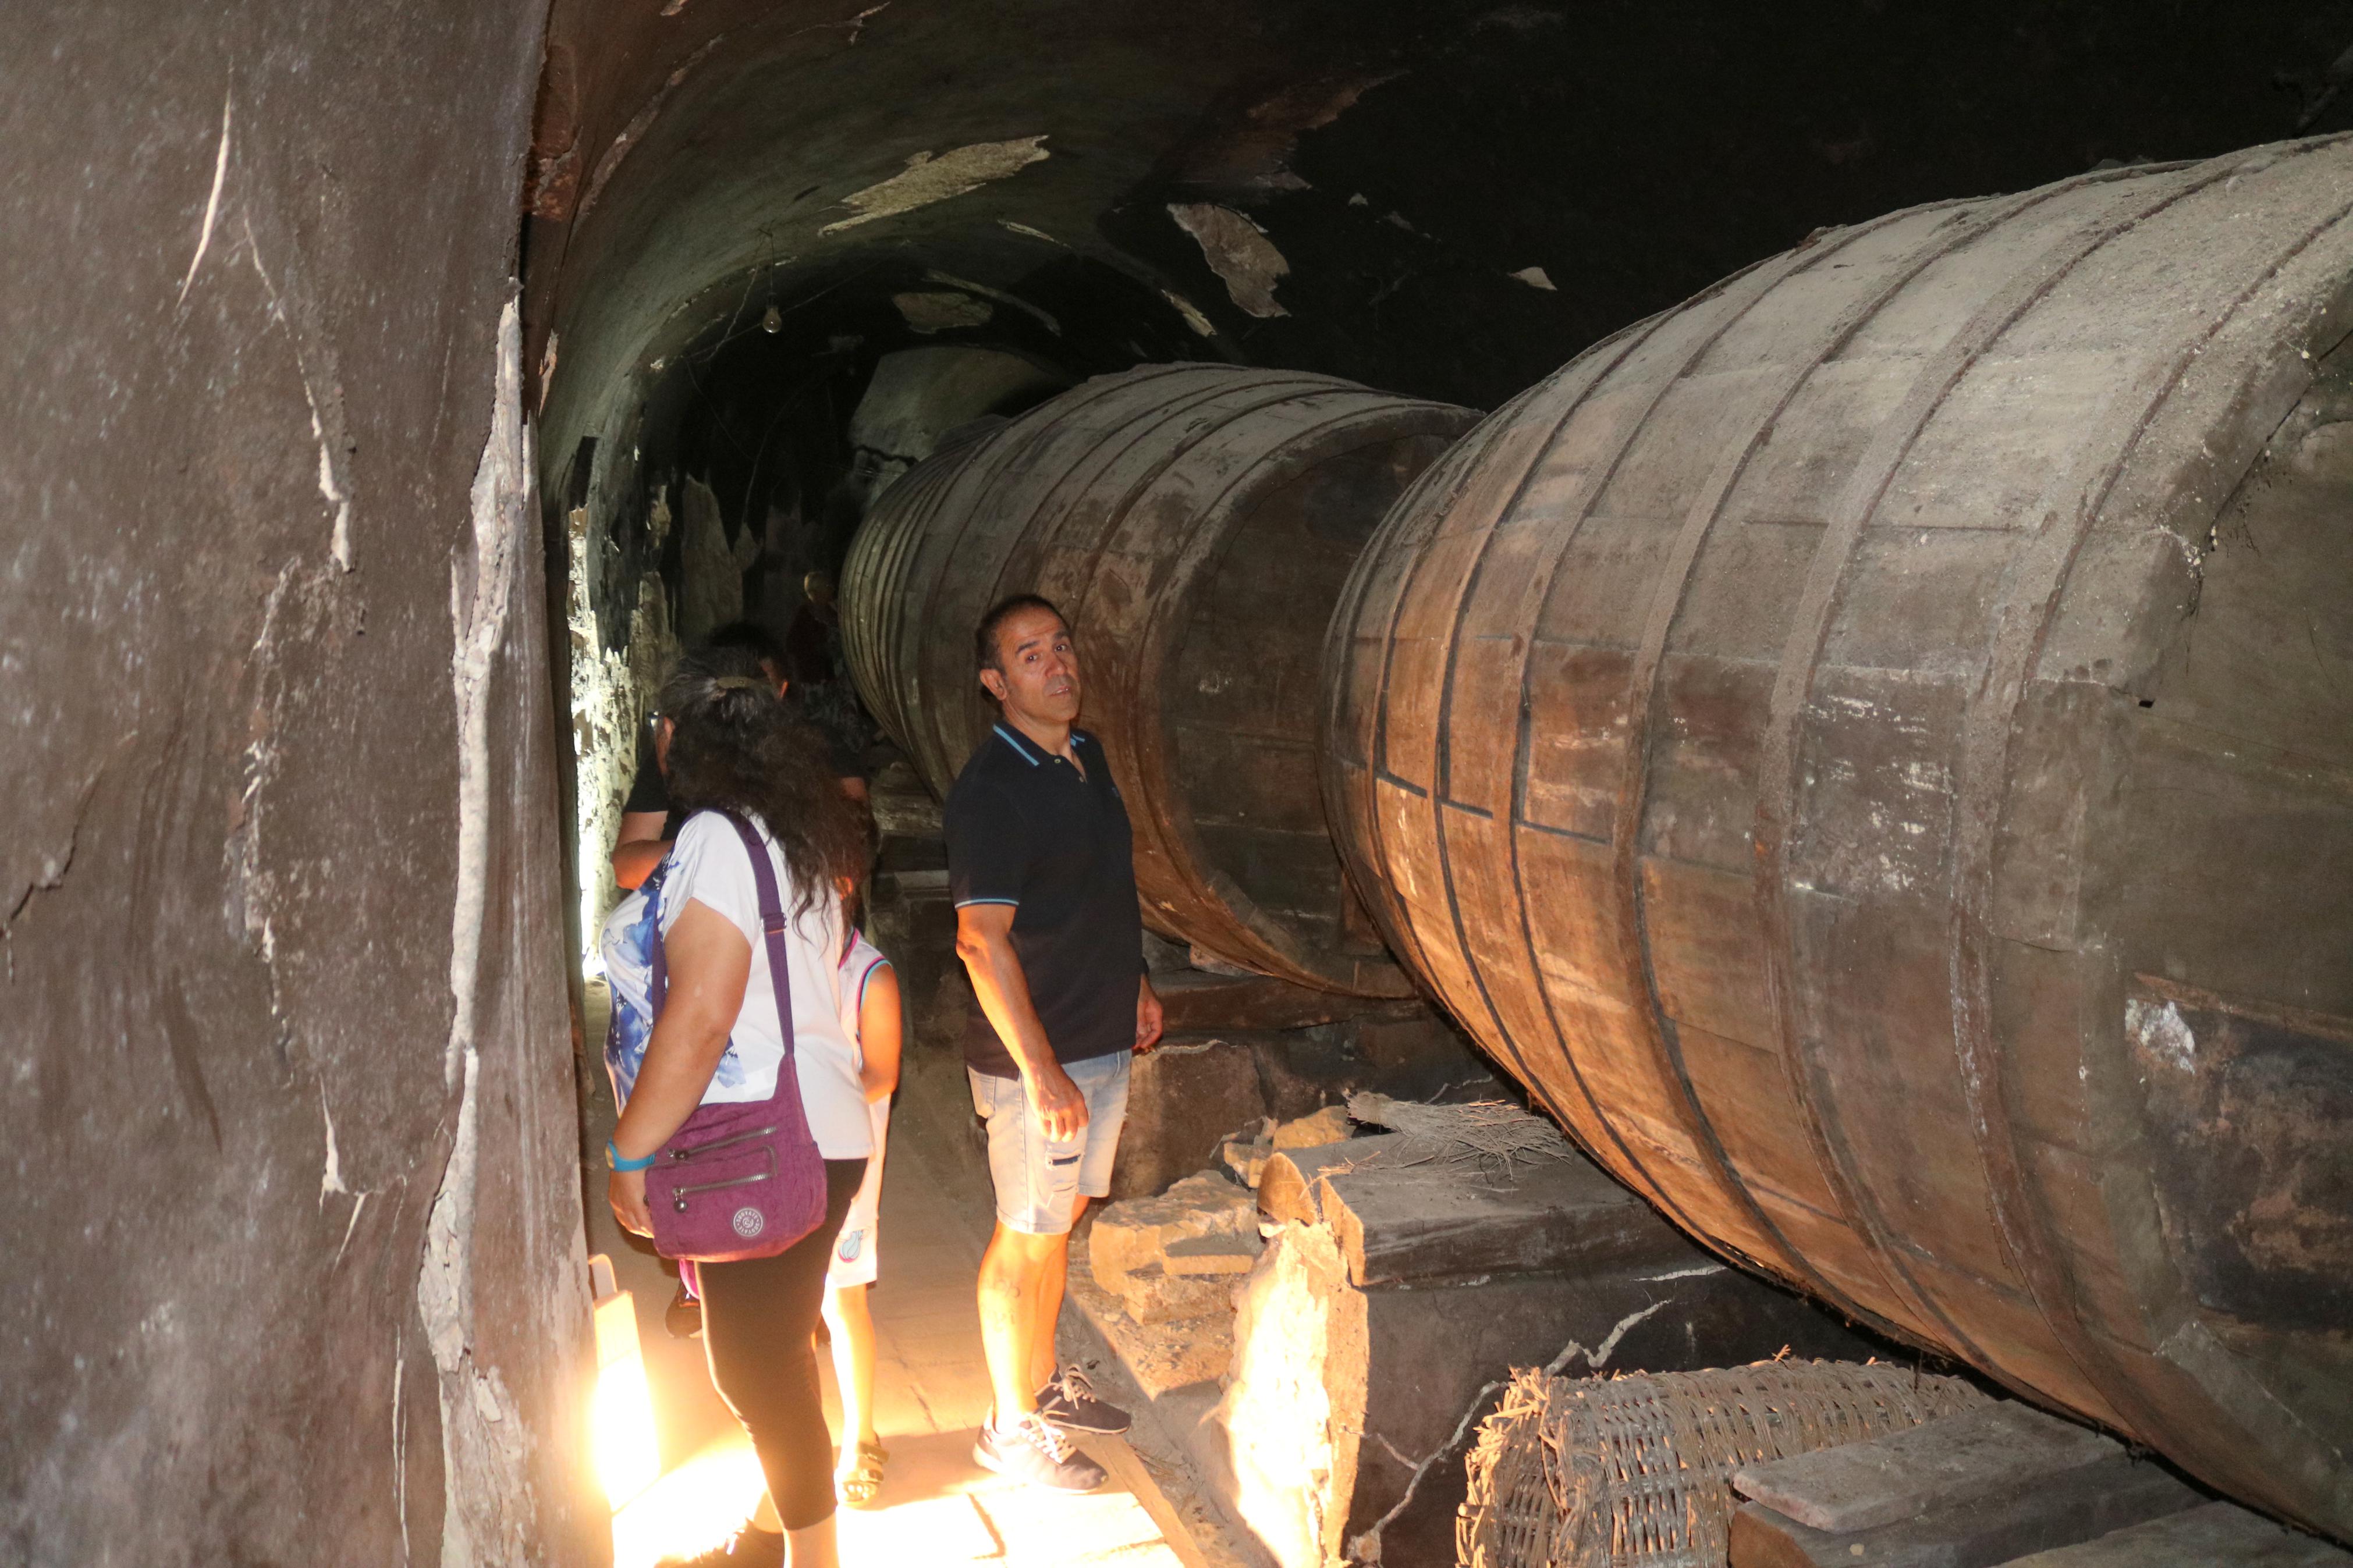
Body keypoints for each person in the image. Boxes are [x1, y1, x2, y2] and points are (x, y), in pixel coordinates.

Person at [601, 647, 873, 1568]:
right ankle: (765, 1540)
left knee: (753, 1369)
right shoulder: (792, 832)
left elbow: (705, 1012)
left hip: (764, 1132)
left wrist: (631, 1150)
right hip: (818, 1123)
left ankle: (813, 1558)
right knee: (781, 1350)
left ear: (673, 736)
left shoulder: (716, 837)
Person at [945, 593, 1164, 1494]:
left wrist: (1137, 978)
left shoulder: (1085, 755)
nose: (1056, 664)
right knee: (1023, 1235)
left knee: (1058, 1222)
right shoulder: (990, 791)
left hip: (1097, 1031)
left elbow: (1103, 883)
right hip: (1039, 1059)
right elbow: (979, 940)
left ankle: (1038, 1382)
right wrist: (1039, 1070)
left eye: (1062, 645)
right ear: (996, 683)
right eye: (1030, 655)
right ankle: (1007, 1425)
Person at [613, 620, 868, 893]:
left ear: (780, 691)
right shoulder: (679, 754)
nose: (739, 705)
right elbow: (626, 868)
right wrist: (719, 851)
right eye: (726, 693)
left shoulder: (821, 750)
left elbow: (852, 857)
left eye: (754, 690)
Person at [820, 920, 901, 1510]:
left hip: (845, 1157)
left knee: (844, 1298)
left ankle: (860, 1436)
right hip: (782, 1155)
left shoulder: (869, 973)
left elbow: (882, 1073)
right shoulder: (774, 951)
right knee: (786, 1304)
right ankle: (798, 1433)